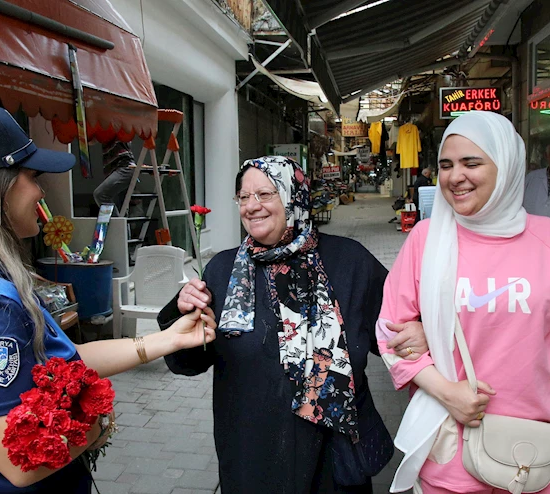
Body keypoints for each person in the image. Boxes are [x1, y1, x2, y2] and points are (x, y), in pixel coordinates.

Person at [0, 105, 216, 494]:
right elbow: (20, 464)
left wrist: (169, 339)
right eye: (32, 177)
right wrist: (97, 426)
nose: (40, 192)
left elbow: (58, 360)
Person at [376, 112, 550, 494]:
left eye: (472, 162)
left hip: (537, 452)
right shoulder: (427, 239)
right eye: (446, 165)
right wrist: (446, 391)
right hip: (451, 452)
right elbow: (389, 330)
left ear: (506, 167)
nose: (456, 176)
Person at [158, 156, 429, 493]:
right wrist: (180, 313)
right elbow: (188, 361)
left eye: (265, 194)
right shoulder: (224, 271)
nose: (252, 206)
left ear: (293, 196)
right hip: (251, 458)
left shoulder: (349, 262)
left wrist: (421, 329)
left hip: (333, 458)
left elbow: (394, 330)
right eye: (244, 197)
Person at [92, 138, 137, 214]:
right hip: (118, 169)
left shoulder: (115, 128)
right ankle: (119, 224)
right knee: (121, 210)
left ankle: (116, 225)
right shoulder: (104, 132)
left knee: (100, 194)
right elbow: (92, 141)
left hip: (124, 167)